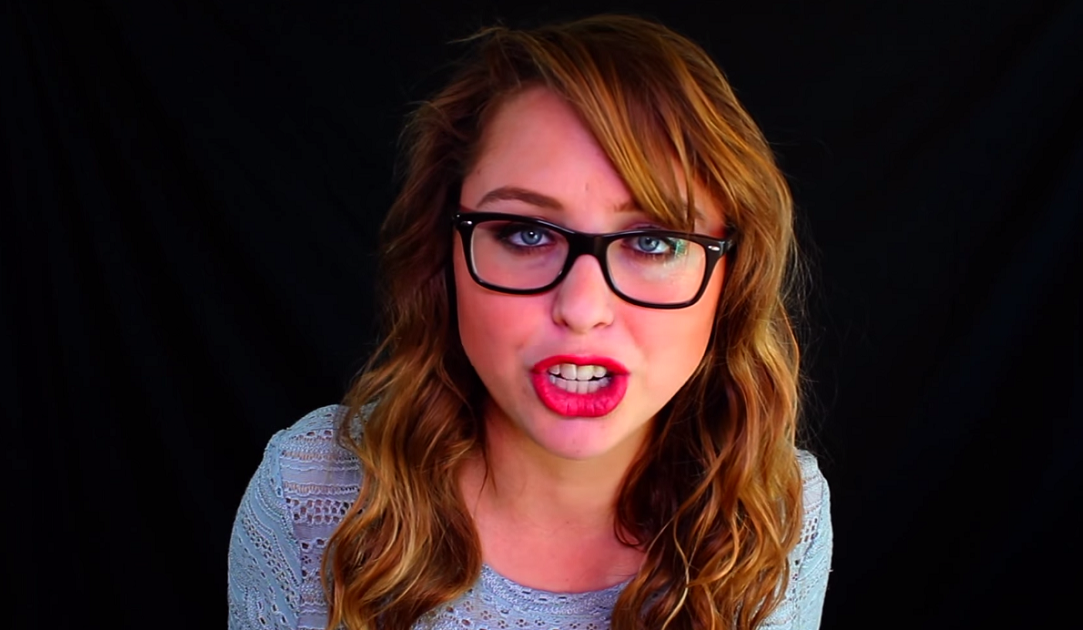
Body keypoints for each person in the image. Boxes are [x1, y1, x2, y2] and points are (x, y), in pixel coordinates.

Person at [228, 13, 832, 630]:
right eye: (526, 233)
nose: (583, 309)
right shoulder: (311, 493)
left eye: (652, 242)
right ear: (444, 255)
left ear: (734, 274)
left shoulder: (781, 515)